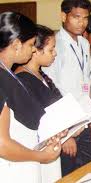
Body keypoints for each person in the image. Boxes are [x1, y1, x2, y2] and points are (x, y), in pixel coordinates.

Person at [0, 11, 61, 182]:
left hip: (24, 160)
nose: (34, 49)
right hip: (12, 168)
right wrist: (40, 156)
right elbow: (2, 144)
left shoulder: (8, 73)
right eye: (31, 44)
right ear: (17, 44)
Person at [42, 0, 91, 176]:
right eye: (76, 17)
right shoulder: (54, 45)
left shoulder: (83, 43)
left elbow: (86, 82)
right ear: (63, 16)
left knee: (88, 171)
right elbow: (49, 91)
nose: (81, 22)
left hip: (85, 117)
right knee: (68, 174)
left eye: (85, 18)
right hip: (67, 125)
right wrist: (66, 135)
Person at [15, 25, 63, 183]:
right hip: (36, 149)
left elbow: (59, 102)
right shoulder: (23, 79)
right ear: (35, 50)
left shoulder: (41, 74)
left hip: (51, 145)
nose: (55, 53)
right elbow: (37, 118)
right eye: (51, 49)